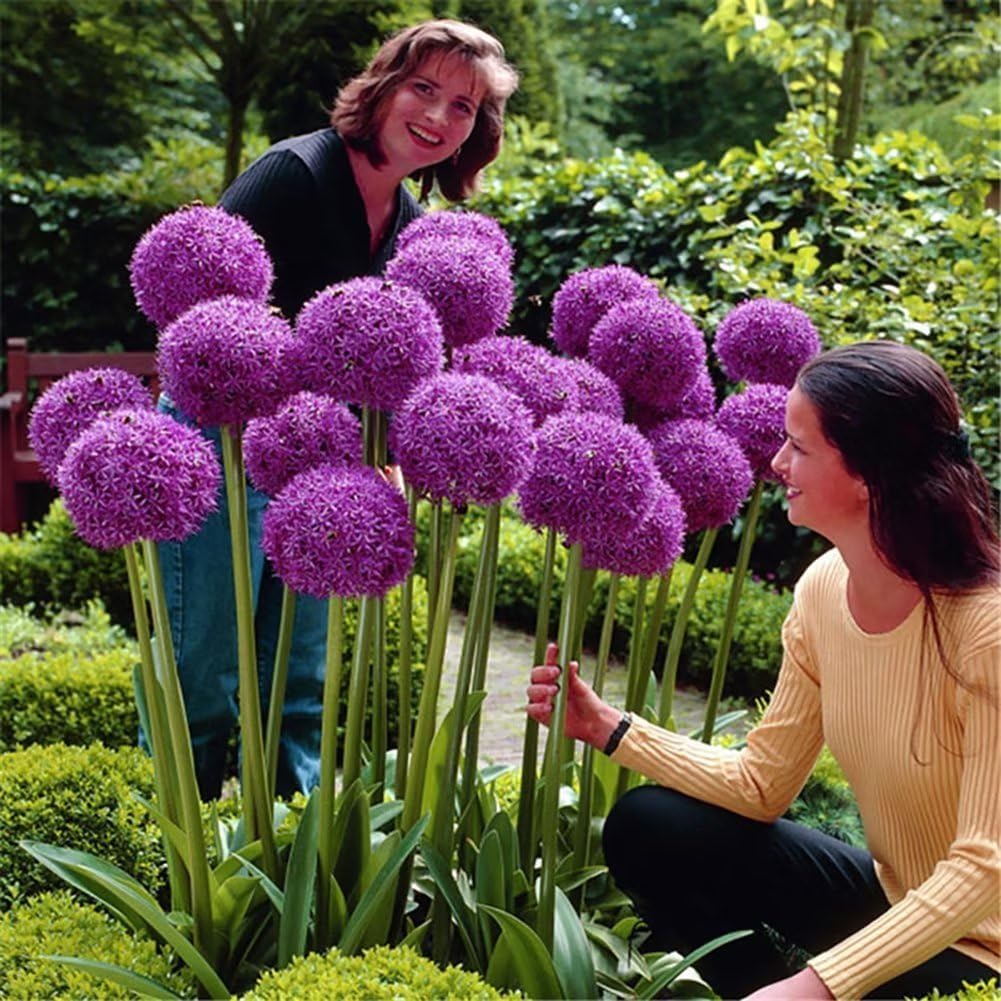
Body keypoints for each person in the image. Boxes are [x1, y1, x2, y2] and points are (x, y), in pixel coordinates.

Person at [527, 341, 999, 999]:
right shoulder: (822, 590)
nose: (777, 464)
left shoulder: (988, 629)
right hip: (899, 904)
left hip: (986, 954)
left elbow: (982, 866)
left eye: (799, 447)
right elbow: (762, 783)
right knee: (650, 827)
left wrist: (817, 986)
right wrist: (609, 727)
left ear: (869, 472)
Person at [158, 19, 518, 800]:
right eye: (424, 88)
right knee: (205, 671)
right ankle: (179, 851)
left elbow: (389, 369)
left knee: (298, 679)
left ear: (474, 132)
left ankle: (291, 849)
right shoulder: (293, 173)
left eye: (462, 106)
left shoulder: (415, 232)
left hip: (316, 462)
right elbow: (196, 312)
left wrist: (386, 452)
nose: (436, 115)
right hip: (215, 444)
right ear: (383, 85)